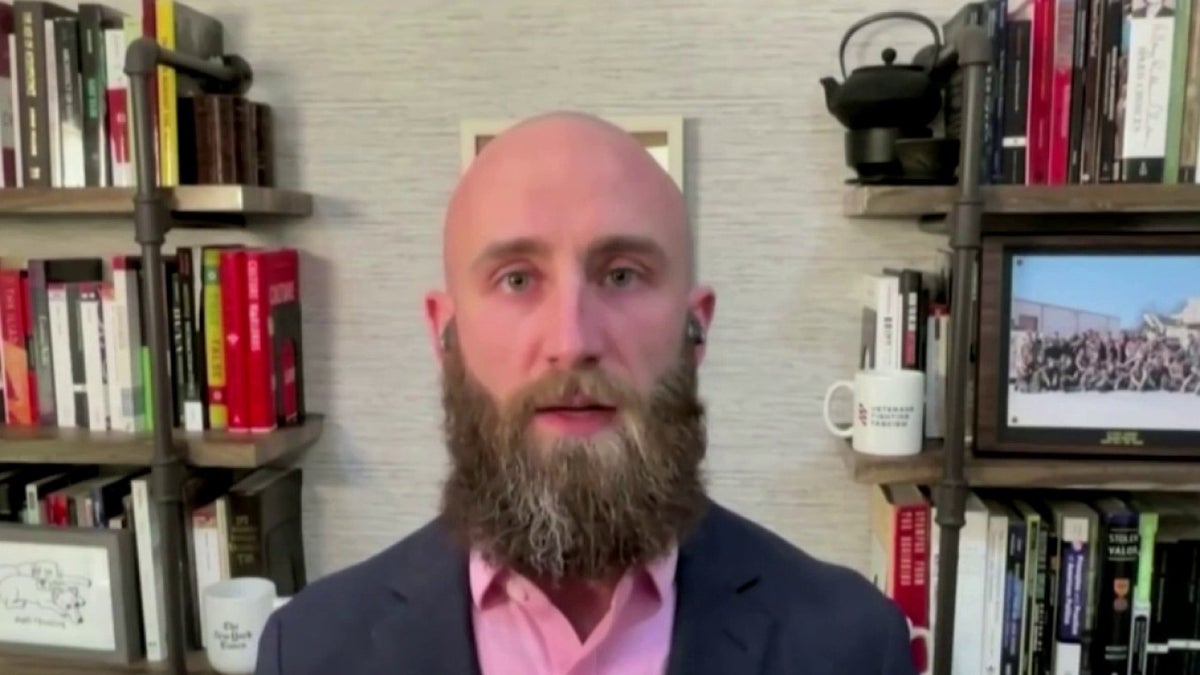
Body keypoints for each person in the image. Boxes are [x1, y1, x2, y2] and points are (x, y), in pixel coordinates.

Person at [255, 111, 917, 675]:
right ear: (445, 332)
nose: (571, 340)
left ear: (696, 328)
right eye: (516, 280)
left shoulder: (852, 645)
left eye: (623, 275)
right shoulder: (312, 650)